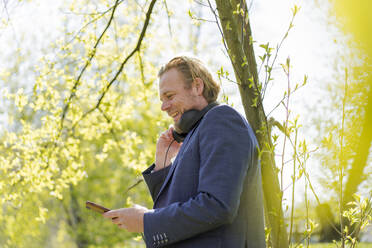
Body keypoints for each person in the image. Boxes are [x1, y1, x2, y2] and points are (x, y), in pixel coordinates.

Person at [103, 56, 266, 247]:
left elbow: (217, 206)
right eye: (162, 100)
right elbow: (177, 210)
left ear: (197, 86)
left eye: (170, 96)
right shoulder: (198, 131)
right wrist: (163, 165)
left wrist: (146, 221)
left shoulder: (221, 119)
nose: (164, 107)